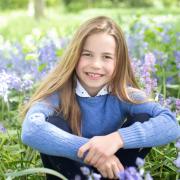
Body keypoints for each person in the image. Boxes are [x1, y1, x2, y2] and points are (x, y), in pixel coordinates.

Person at [21, 16, 180, 180]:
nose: (96, 64)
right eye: (87, 54)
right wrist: (93, 153)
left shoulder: (124, 94)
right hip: (71, 173)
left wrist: (117, 139)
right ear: (74, 56)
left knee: (145, 117)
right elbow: (31, 129)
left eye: (106, 57)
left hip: (112, 173)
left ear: (118, 62)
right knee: (53, 123)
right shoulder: (58, 94)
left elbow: (171, 124)